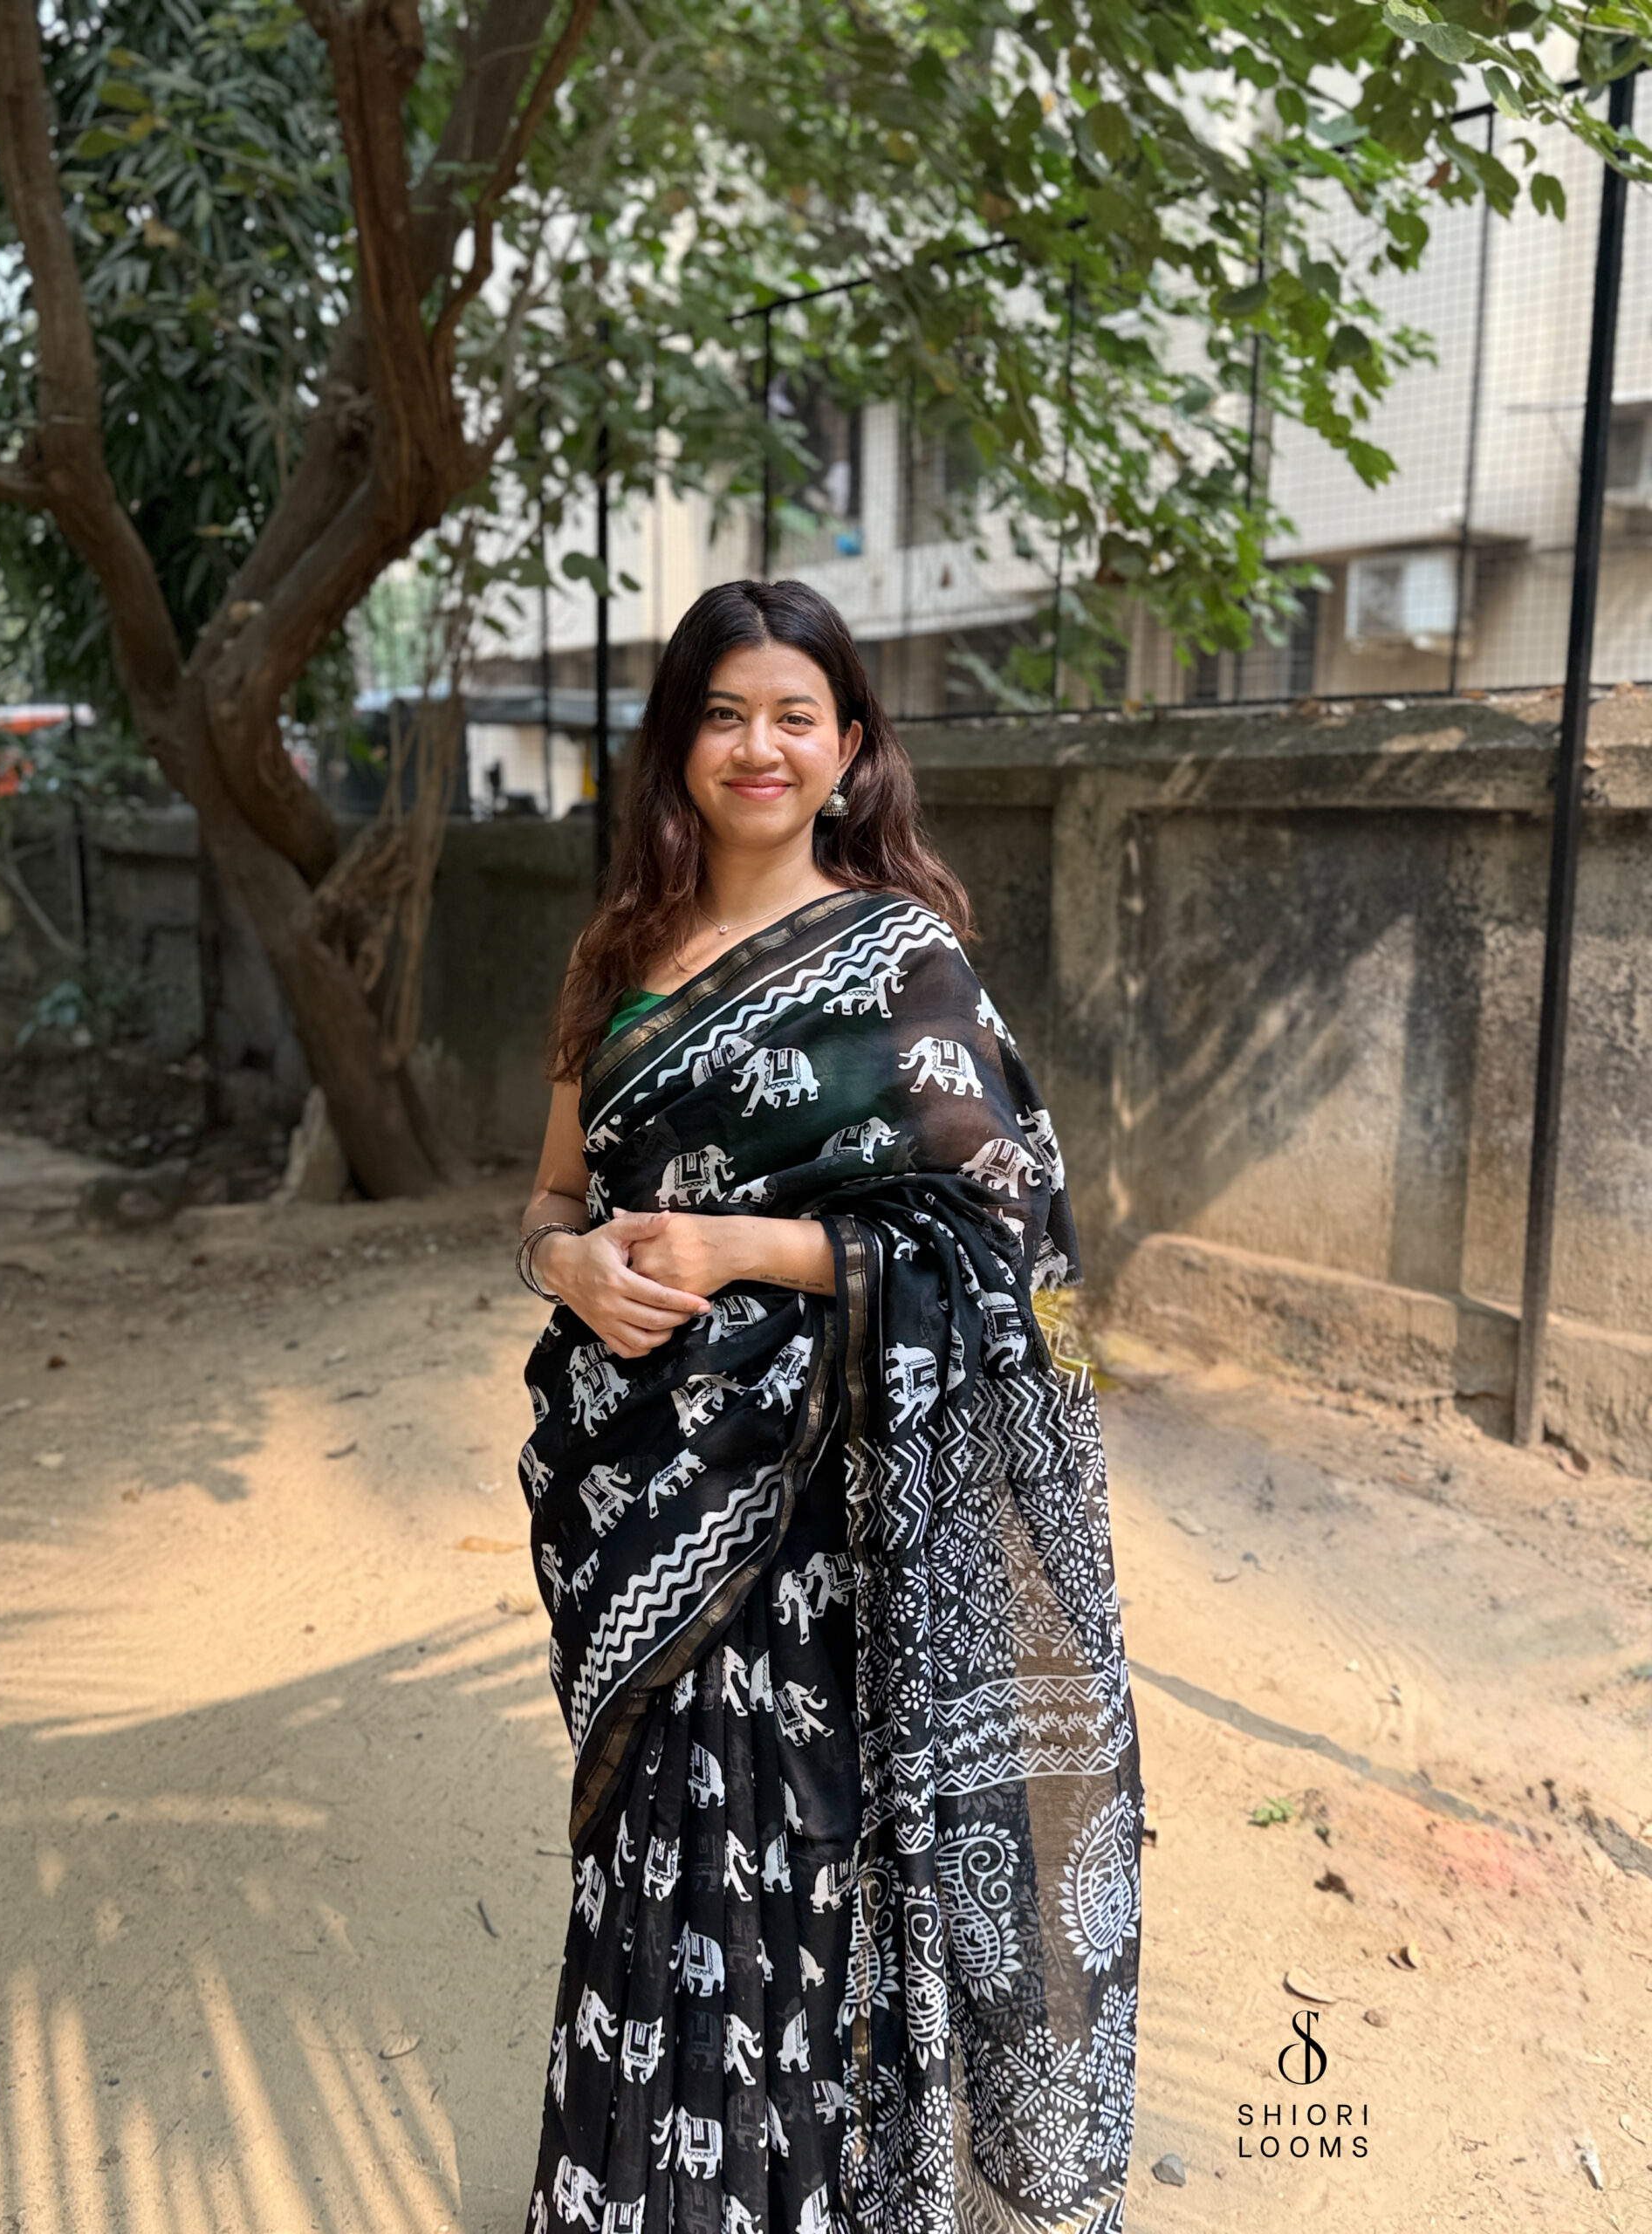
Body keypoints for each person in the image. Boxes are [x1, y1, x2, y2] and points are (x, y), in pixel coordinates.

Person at [515, 580, 1142, 2234]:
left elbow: (1002, 1233)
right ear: (677, 746)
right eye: (723, 714)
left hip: (818, 1502)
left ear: (853, 749)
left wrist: (738, 1242)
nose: (759, 747)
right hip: (638, 1486)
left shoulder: (902, 961)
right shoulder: (615, 957)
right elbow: (547, 1202)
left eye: (797, 715)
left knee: (796, 1856)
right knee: (653, 1849)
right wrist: (567, 1273)